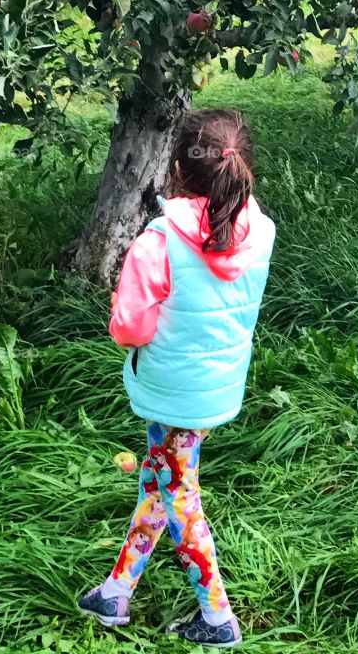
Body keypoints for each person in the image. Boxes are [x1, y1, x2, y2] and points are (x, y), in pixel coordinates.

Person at [78, 108, 276, 646]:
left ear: (177, 168)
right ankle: (116, 590)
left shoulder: (159, 241)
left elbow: (130, 329)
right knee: (161, 478)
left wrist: (122, 315)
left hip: (172, 391)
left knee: (181, 496)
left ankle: (217, 618)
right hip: (217, 383)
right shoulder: (261, 231)